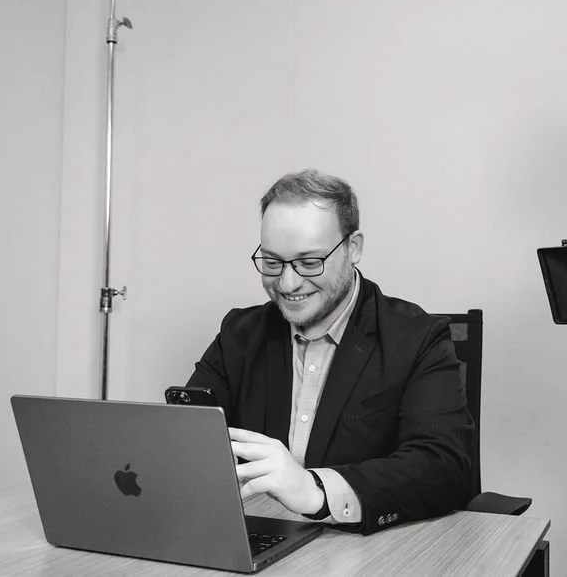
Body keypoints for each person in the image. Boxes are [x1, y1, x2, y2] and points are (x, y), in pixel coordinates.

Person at [184, 169, 474, 535]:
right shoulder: (239, 334)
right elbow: (187, 442)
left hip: (370, 547)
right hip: (262, 535)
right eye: (272, 262)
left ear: (353, 248)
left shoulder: (418, 337)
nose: (288, 284)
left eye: (309, 262)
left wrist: (316, 491)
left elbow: (443, 467)